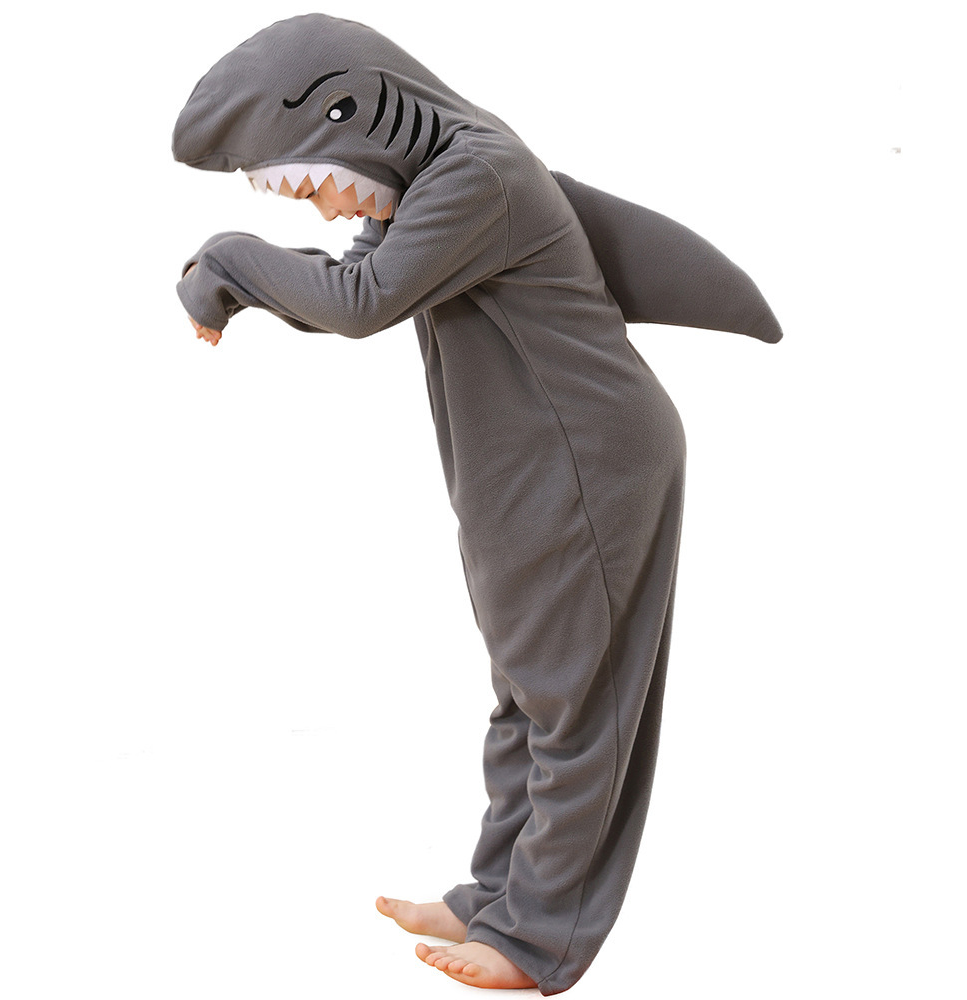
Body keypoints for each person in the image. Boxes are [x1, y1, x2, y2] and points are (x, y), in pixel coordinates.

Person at [173, 14, 781, 995]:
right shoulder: (432, 182)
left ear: (353, 112)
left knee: (575, 702)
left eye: (311, 180)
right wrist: (236, 282)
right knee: (525, 691)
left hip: (588, 460)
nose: (323, 205)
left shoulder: (475, 176)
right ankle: (497, 894)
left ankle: (539, 937)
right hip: (524, 465)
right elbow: (357, 284)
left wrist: (230, 261)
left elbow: (363, 301)